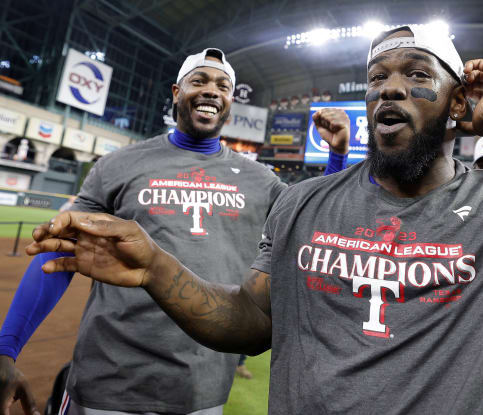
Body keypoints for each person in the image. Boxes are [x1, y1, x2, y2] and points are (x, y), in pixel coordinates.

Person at [28, 25, 483, 414]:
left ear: (461, 104)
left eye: (418, 74)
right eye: (378, 77)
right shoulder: (305, 201)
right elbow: (247, 319)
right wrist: (156, 266)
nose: (390, 85)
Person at [0, 48, 350, 415]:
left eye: (223, 85)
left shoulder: (261, 181)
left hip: (202, 388)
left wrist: (337, 157)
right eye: (198, 80)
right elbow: (59, 255)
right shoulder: (118, 165)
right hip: (108, 380)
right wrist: (7, 349)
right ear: (176, 92)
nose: (212, 90)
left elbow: (311, 224)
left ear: (230, 101)